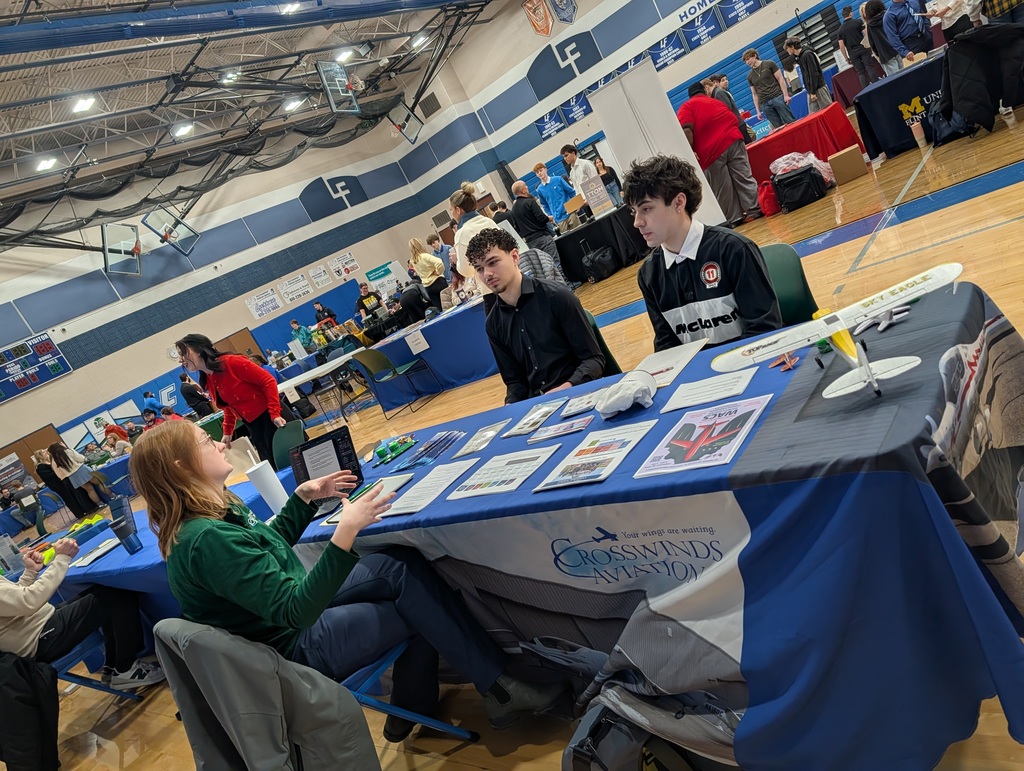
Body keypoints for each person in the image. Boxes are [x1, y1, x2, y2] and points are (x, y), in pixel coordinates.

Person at [129, 421, 562, 740]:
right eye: (206, 441)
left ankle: (422, 705)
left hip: (286, 621)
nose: (220, 441)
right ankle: (493, 692)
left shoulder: (210, 514)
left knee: (398, 564)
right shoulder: (205, 538)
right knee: (414, 602)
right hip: (293, 647)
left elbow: (267, 553)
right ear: (182, 466)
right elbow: (296, 609)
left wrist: (302, 501)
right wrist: (346, 529)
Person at [621, 155, 782, 351]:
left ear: (679, 203)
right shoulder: (649, 274)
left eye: (646, 209)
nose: (637, 222)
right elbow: (667, 346)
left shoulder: (734, 250)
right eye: (633, 211)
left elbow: (764, 330)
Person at [0, 534, 165, 689]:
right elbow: (28, 601)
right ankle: (126, 667)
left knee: (106, 593)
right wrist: (62, 559)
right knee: (114, 596)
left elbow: (12, 601)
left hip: (38, 624)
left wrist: (30, 573)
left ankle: (114, 665)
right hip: (37, 640)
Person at [465, 228, 605, 404]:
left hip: (580, 394)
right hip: (539, 407)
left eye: (493, 262)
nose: (487, 274)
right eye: (479, 269)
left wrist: (568, 386)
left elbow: (594, 360)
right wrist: (510, 406)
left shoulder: (557, 297)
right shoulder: (493, 324)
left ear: (515, 257)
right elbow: (515, 382)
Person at [176, 334, 297, 469]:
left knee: (294, 464)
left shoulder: (231, 362)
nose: (181, 360)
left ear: (199, 349)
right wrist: (228, 432)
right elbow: (228, 406)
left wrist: (275, 413)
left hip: (273, 419)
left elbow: (268, 381)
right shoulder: (207, 379)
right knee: (275, 469)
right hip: (254, 426)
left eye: (184, 353)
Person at [677, 82, 762, 227]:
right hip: (733, 141)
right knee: (744, 177)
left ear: (690, 95)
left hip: (710, 152)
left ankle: (734, 218)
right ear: (704, 90)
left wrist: (690, 151)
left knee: (723, 187)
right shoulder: (715, 101)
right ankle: (756, 209)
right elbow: (734, 118)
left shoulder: (687, 107)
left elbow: (686, 129)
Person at [451, 182, 501, 310]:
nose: (452, 213)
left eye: (451, 210)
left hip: (491, 289)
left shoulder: (462, 233)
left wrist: (457, 260)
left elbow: (466, 271)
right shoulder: (489, 221)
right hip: (509, 280)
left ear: (458, 210)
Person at [47, 443, 113, 509]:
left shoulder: (55, 460)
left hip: (72, 476)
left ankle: (100, 504)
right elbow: (81, 458)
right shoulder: (68, 451)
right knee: (99, 482)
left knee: (90, 490)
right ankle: (112, 496)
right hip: (81, 469)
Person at [742, 49, 796, 129]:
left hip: (777, 96)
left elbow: (780, 79)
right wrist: (758, 111)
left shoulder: (769, 64)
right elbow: (754, 94)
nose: (747, 62)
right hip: (764, 103)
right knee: (778, 128)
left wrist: (785, 95)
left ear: (754, 56)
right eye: (745, 61)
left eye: (748, 59)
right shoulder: (750, 76)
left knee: (790, 121)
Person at [510, 180, 562, 262]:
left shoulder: (513, 209)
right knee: (554, 262)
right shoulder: (530, 202)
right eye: (525, 186)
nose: (527, 187)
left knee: (543, 266)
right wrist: (549, 218)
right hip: (542, 238)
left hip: (530, 243)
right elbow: (541, 218)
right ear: (523, 190)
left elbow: (517, 228)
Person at [32, 449, 88, 519]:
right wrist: (58, 471)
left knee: (72, 496)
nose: (45, 452)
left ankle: (82, 509)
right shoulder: (40, 466)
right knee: (68, 498)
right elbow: (48, 476)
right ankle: (79, 513)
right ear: (40, 456)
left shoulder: (48, 462)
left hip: (61, 482)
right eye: (43, 452)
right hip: (57, 485)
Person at [838, 5, 881, 88]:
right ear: (850, 14)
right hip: (863, 47)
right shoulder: (858, 22)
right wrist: (871, 46)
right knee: (869, 66)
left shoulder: (840, 30)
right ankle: (877, 85)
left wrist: (846, 58)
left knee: (860, 72)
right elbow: (866, 34)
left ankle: (866, 90)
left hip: (852, 52)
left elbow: (841, 46)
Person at [784, 38, 832, 112]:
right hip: (810, 90)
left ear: (792, 47)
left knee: (828, 111)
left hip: (818, 88)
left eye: (787, 48)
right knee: (813, 115)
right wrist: (810, 91)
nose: (787, 51)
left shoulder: (807, 54)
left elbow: (813, 74)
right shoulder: (799, 57)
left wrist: (812, 91)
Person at [710, 74, 757, 144]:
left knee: (749, 138)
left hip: (737, 121)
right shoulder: (720, 93)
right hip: (736, 122)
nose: (726, 81)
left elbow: (729, 108)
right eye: (723, 80)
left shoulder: (722, 93)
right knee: (748, 138)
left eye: (726, 79)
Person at [533, 163, 578, 233]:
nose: (539, 173)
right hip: (558, 218)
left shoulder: (558, 179)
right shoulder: (539, 190)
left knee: (579, 232)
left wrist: (575, 205)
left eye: (540, 170)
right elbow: (544, 204)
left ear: (545, 169)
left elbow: (571, 191)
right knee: (569, 239)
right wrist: (551, 215)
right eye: (537, 172)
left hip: (570, 212)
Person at [408, 237, 449, 311]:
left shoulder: (412, 261)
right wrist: (438, 272)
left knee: (440, 310)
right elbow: (439, 262)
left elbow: (418, 273)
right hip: (438, 282)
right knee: (449, 304)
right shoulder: (425, 256)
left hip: (428, 287)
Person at [865, 0, 904, 75]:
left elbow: (872, 42)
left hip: (885, 54)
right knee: (906, 71)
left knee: (895, 79)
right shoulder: (888, 15)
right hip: (897, 48)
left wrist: (878, 54)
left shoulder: (870, 25)